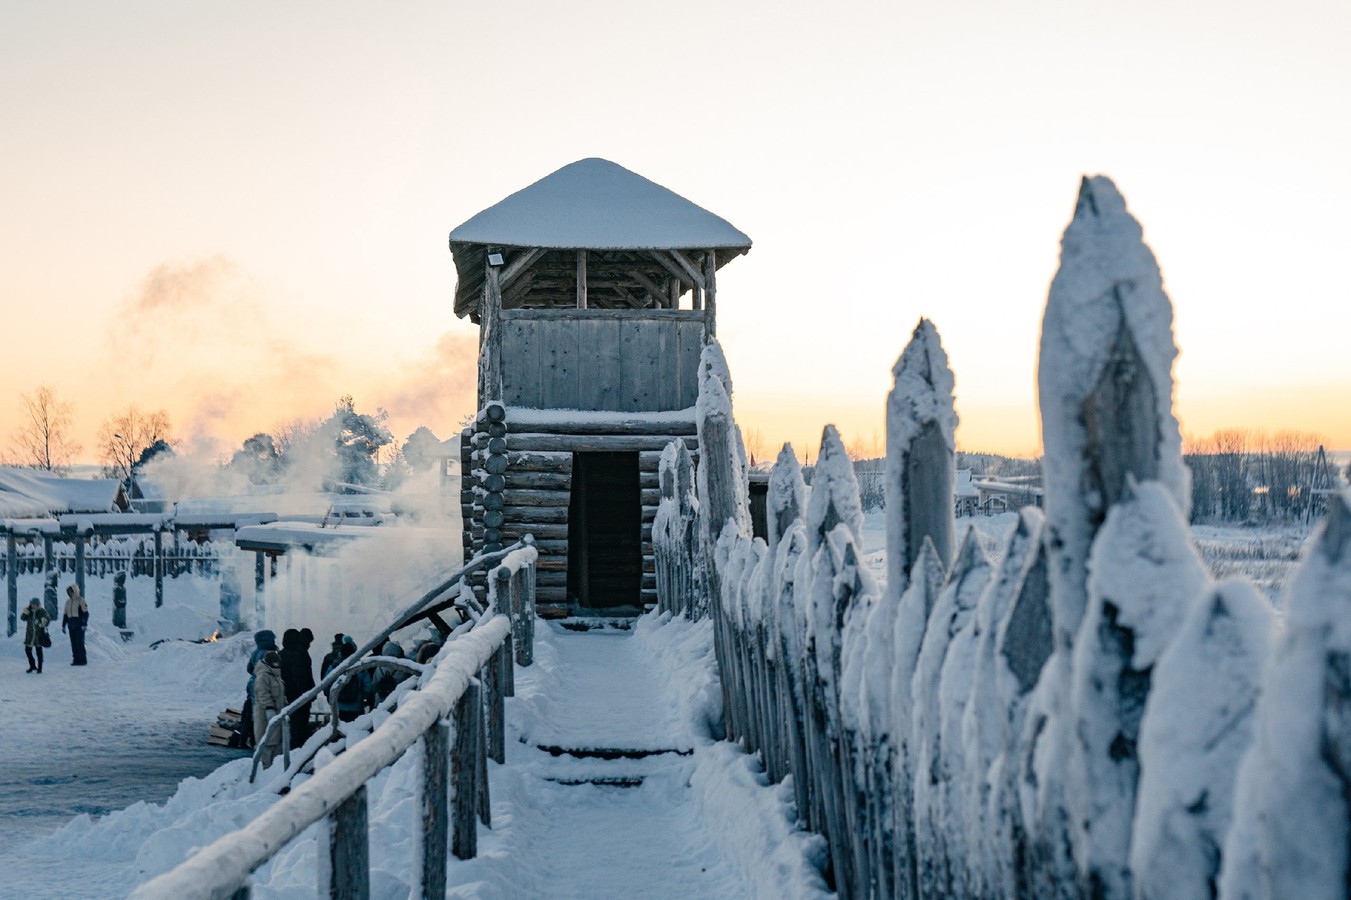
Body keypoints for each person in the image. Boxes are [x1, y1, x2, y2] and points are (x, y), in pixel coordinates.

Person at [237, 629, 278, 749]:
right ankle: (259, 741)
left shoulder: (256, 652)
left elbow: (249, 669)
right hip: (265, 686)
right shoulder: (269, 654)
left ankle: (244, 739)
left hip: (253, 685)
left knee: (249, 714)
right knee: (261, 715)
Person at [279, 628, 316, 747]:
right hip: (299, 696)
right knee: (300, 726)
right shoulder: (297, 655)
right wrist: (309, 693)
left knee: (290, 724)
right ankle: (297, 749)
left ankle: (290, 747)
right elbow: (301, 678)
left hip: (286, 695)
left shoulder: (281, 654)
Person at [252, 650, 286, 769]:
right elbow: (262, 693)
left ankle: (273, 768)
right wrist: (269, 707)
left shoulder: (275, 675)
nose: (277, 665)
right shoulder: (263, 676)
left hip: (276, 713)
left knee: (275, 741)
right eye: (275, 663)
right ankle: (263, 768)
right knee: (266, 741)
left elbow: (280, 693)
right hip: (265, 715)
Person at [61, 584, 89, 666]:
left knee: (80, 642)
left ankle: (83, 660)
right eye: (68, 592)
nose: (70, 593)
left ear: (75, 591)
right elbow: (65, 615)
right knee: (73, 643)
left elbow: (86, 613)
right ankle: (76, 659)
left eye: (71, 591)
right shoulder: (67, 602)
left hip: (79, 624)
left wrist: (84, 623)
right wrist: (63, 625)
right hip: (71, 624)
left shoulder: (81, 600)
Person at [21, 598, 51, 673]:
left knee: (39, 652)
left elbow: (47, 619)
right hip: (30, 635)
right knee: (28, 651)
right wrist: (25, 612)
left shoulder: (42, 611)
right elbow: (22, 618)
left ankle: (40, 668)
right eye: (31, 604)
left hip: (38, 635)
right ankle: (32, 666)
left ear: (37, 604)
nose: (32, 605)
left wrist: (43, 622)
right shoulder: (29, 611)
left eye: (34, 604)